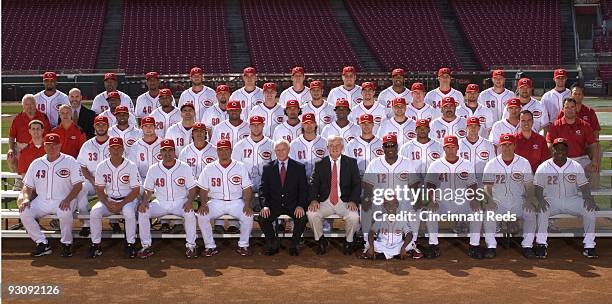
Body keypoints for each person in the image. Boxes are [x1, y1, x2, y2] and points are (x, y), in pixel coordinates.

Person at [18, 133, 83, 257]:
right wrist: (26, 198)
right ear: (44, 145)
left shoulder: (70, 161)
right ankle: (42, 243)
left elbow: (78, 185)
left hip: (64, 198)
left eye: (54, 145)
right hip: (42, 200)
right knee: (24, 211)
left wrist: (68, 199)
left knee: (65, 212)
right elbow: (27, 186)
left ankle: (67, 243)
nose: (51, 148)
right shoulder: (36, 163)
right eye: (48, 145)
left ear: (60, 145)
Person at [534, 138, 598, 259]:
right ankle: (541, 244)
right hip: (551, 200)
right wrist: (541, 200)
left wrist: (589, 198)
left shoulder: (575, 166)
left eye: (563, 149)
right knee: (542, 210)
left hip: (572, 199)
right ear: (552, 150)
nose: (560, 151)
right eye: (557, 148)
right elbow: (537, 187)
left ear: (567, 151)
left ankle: (589, 245)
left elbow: (584, 185)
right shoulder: (544, 167)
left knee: (589, 210)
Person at [362, 134, 423, 259]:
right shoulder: (375, 163)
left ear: (397, 147)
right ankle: (368, 245)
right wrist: (367, 201)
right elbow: (367, 186)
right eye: (387, 145)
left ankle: (411, 244)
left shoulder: (406, 162)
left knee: (417, 209)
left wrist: (418, 199)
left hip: (402, 201)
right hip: (380, 201)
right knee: (365, 208)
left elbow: (414, 184)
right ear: (383, 148)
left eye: (392, 145)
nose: (390, 148)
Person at [137, 139, 199, 258]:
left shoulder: (184, 167)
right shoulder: (154, 168)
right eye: (164, 150)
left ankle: (191, 246)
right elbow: (148, 189)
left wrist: (190, 202)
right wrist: (144, 202)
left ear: (174, 151)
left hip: (180, 202)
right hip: (160, 203)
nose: (167, 153)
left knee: (190, 213)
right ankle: (146, 246)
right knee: (143, 212)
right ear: (160, 152)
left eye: (170, 150)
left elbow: (192, 189)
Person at [482, 134, 538, 259]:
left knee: (531, 213)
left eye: (509, 144)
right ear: (500, 146)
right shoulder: (491, 164)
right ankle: (491, 245)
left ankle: (527, 245)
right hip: (498, 202)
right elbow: (487, 187)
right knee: (488, 213)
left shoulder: (523, 162)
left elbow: (529, 185)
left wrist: (529, 200)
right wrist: (490, 201)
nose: (507, 147)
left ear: (514, 146)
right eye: (504, 145)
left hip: (518, 202)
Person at [424, 135, 481, 259]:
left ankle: (474, 246)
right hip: (442, 203)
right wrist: (432, 200)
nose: (450, 150)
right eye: (448, 147)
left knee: (477, 211)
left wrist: (474, 199)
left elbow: (472, 184)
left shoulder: (466, 164)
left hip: (462, 202)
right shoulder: (436, 165)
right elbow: (429, 185)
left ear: (458, 148)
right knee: (430, 212)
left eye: (453, 147)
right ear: (444, 148)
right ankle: (433, 245)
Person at [196, 139, 255, 257]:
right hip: (216, 202)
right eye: (221, 150)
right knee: (202, 216)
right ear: (217, 151)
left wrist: (247, 205)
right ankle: (210, 246)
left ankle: (243, 245)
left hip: (236, 202)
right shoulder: (209, 168)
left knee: (248, 215)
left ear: (231, 151)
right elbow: (203, 189)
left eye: (226, 149)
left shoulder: (240, 166)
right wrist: (203, 204)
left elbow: (247, 189)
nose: (223, 152)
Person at [307, 135, 361, 255]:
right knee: (311, 214)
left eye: (337, 145)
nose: (334, 148)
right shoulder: (320, 163)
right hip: (325, 201)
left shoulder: (351, 163)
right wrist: (313, 200)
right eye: (331, 145)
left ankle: (349, 241)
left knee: (353, 217)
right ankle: (321, 240)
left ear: (342, 147)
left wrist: (353, 200)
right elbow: (313, 184)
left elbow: (357, 184)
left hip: (344, 201)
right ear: (327, 147)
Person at [88, 137, 140, 258]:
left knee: (129, 213)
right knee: (95, 212)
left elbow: (136, 190)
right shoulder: (102, 166)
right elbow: (99, 190)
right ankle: (96, 244)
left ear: (123, 149)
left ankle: (130, 244)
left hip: (128, 200)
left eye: (118, 148)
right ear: (109, 149)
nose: (116, 150)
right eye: (113, 148)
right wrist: (107, 203)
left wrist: (121, 205)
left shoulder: (131, 165)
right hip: (109, 199)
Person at [259, 139, 309, 256]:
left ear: (288, 150)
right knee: (262, 218)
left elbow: (303, 190)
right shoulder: (268, 168)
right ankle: (273, 243)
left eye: (283, 149)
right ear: (274, 151)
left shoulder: (299, 167)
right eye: (278, 150)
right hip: (274, 205)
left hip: (292, 205)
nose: (281, 152)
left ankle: (294, 244)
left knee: (302, 218)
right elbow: (263, 190)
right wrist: (265, 206)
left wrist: (300, 205)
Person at [546, 98, 599, 186]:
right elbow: (549, 144)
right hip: (562, 159)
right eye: (567, 107)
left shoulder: (584, 125)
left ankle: (590, 197)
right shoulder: (555, 126)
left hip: (581, 159)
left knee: (594, 170)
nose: (570, 110)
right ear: (562, 109)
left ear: (576, 109)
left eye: (572, 107)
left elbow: (593, 144)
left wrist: (594, 161)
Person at [76, 116, 111, 237]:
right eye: (98, 125)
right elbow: (82, 166)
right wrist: (92, 180)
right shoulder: (87, 145)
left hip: (111, 182)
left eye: (103, 125)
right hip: (92, 181)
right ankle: (86, 224)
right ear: (94, 127)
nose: (101, 127)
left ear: (108, 126)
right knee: (81, 189)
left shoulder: (114, 143)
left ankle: (115, 221)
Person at [8, 94, 51, 190]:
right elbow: (11, 136)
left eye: (32, 104)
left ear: (35, 104)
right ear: (23, 105)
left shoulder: (42, 117)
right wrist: (10, 149)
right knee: (14, 155)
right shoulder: (18, 118)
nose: (29, 106)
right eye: (27, 104)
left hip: (38, 144)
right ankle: (21, 180)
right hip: (21, 146)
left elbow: (47, 134)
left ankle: (39, 181)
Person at [232, 115, 276, 206]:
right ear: (249, 126)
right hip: (245, 186)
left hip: (265, 186)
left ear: (263, 125)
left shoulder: (271, 144)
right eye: (253, 125)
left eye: (258, 125)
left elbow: (276, 167)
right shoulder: (240, 145)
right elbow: (234, 168)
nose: (256, 127)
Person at [289, 112, 328, 178]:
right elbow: (291, 166)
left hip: (319, 180)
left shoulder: (324, 142)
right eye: (306, 123)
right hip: (300, 179)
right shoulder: (294, 144)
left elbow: (327, 165)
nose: (309, 125)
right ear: (302, 125)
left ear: (315, 124)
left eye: (311, 123)